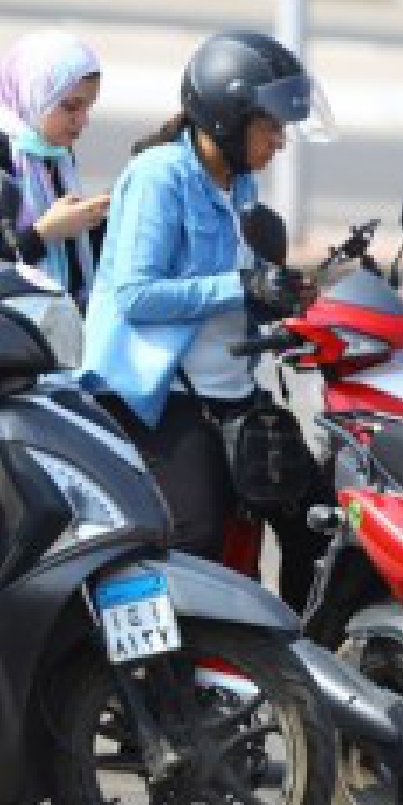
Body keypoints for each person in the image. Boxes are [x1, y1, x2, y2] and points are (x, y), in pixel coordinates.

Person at [80, 30, 330, 610]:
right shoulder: (160, 176)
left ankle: (299, 665)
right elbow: (136, 295)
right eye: (270, 126)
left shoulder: (240, 183)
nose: (280, 141)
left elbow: (236, 291)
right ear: (226, 117)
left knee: (316, 520)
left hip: (232, 391)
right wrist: (241, 286)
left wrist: (280, 295)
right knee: (197, 540)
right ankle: (169, 681)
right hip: (161, 396)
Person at [0, 29, 110, 297]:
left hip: (62, 321)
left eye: (88, 107)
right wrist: (42, 234)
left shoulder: (56, 156)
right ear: (34, 95)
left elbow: (74, 260)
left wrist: (100, 220)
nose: (83, 120)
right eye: (71, 107)